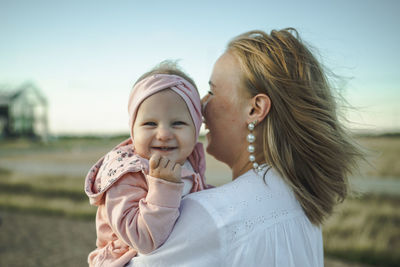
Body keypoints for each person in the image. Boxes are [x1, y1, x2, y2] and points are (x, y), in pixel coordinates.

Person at [128, 28, 363, 267]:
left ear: (255, 109)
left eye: (212, 91)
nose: (200, 105)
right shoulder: (299, 200)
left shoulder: (212, 217)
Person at [84, 62, 210, 267]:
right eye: (150, 124)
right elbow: (143, 239)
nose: (164, 134)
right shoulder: (126, 173)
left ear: (195, 129)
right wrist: (164, 186)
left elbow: (201, 198)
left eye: (178, 123)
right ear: (133, 130)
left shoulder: (190, 162)